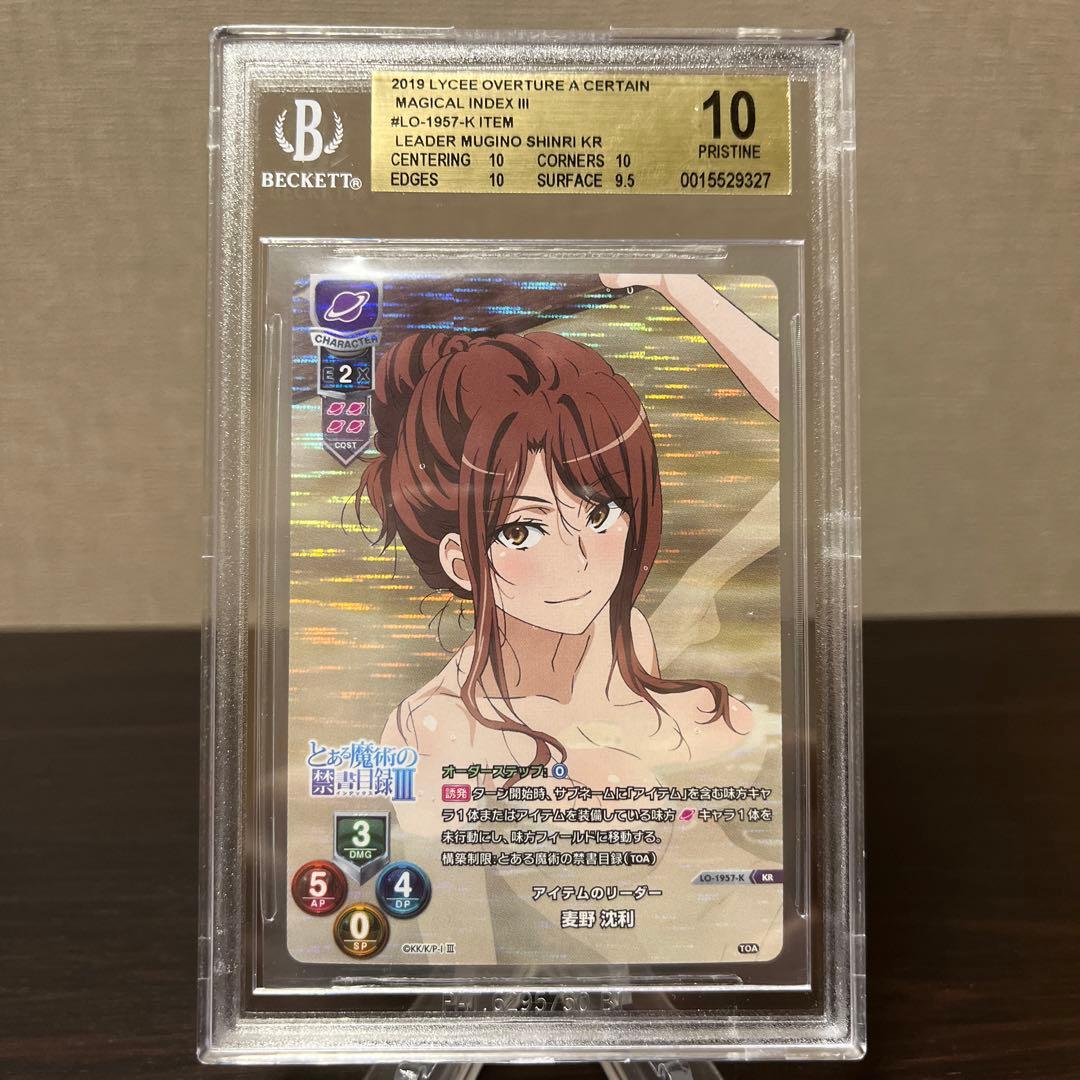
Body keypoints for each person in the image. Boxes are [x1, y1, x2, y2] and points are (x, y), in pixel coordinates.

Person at [357, 274, 780, 828]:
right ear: (461, 562)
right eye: (522, 531)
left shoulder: (627, 641)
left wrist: (676, 281)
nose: (579, 561)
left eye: (600, 515)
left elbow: (817, 417)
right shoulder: (436, 732)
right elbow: (449, 870)